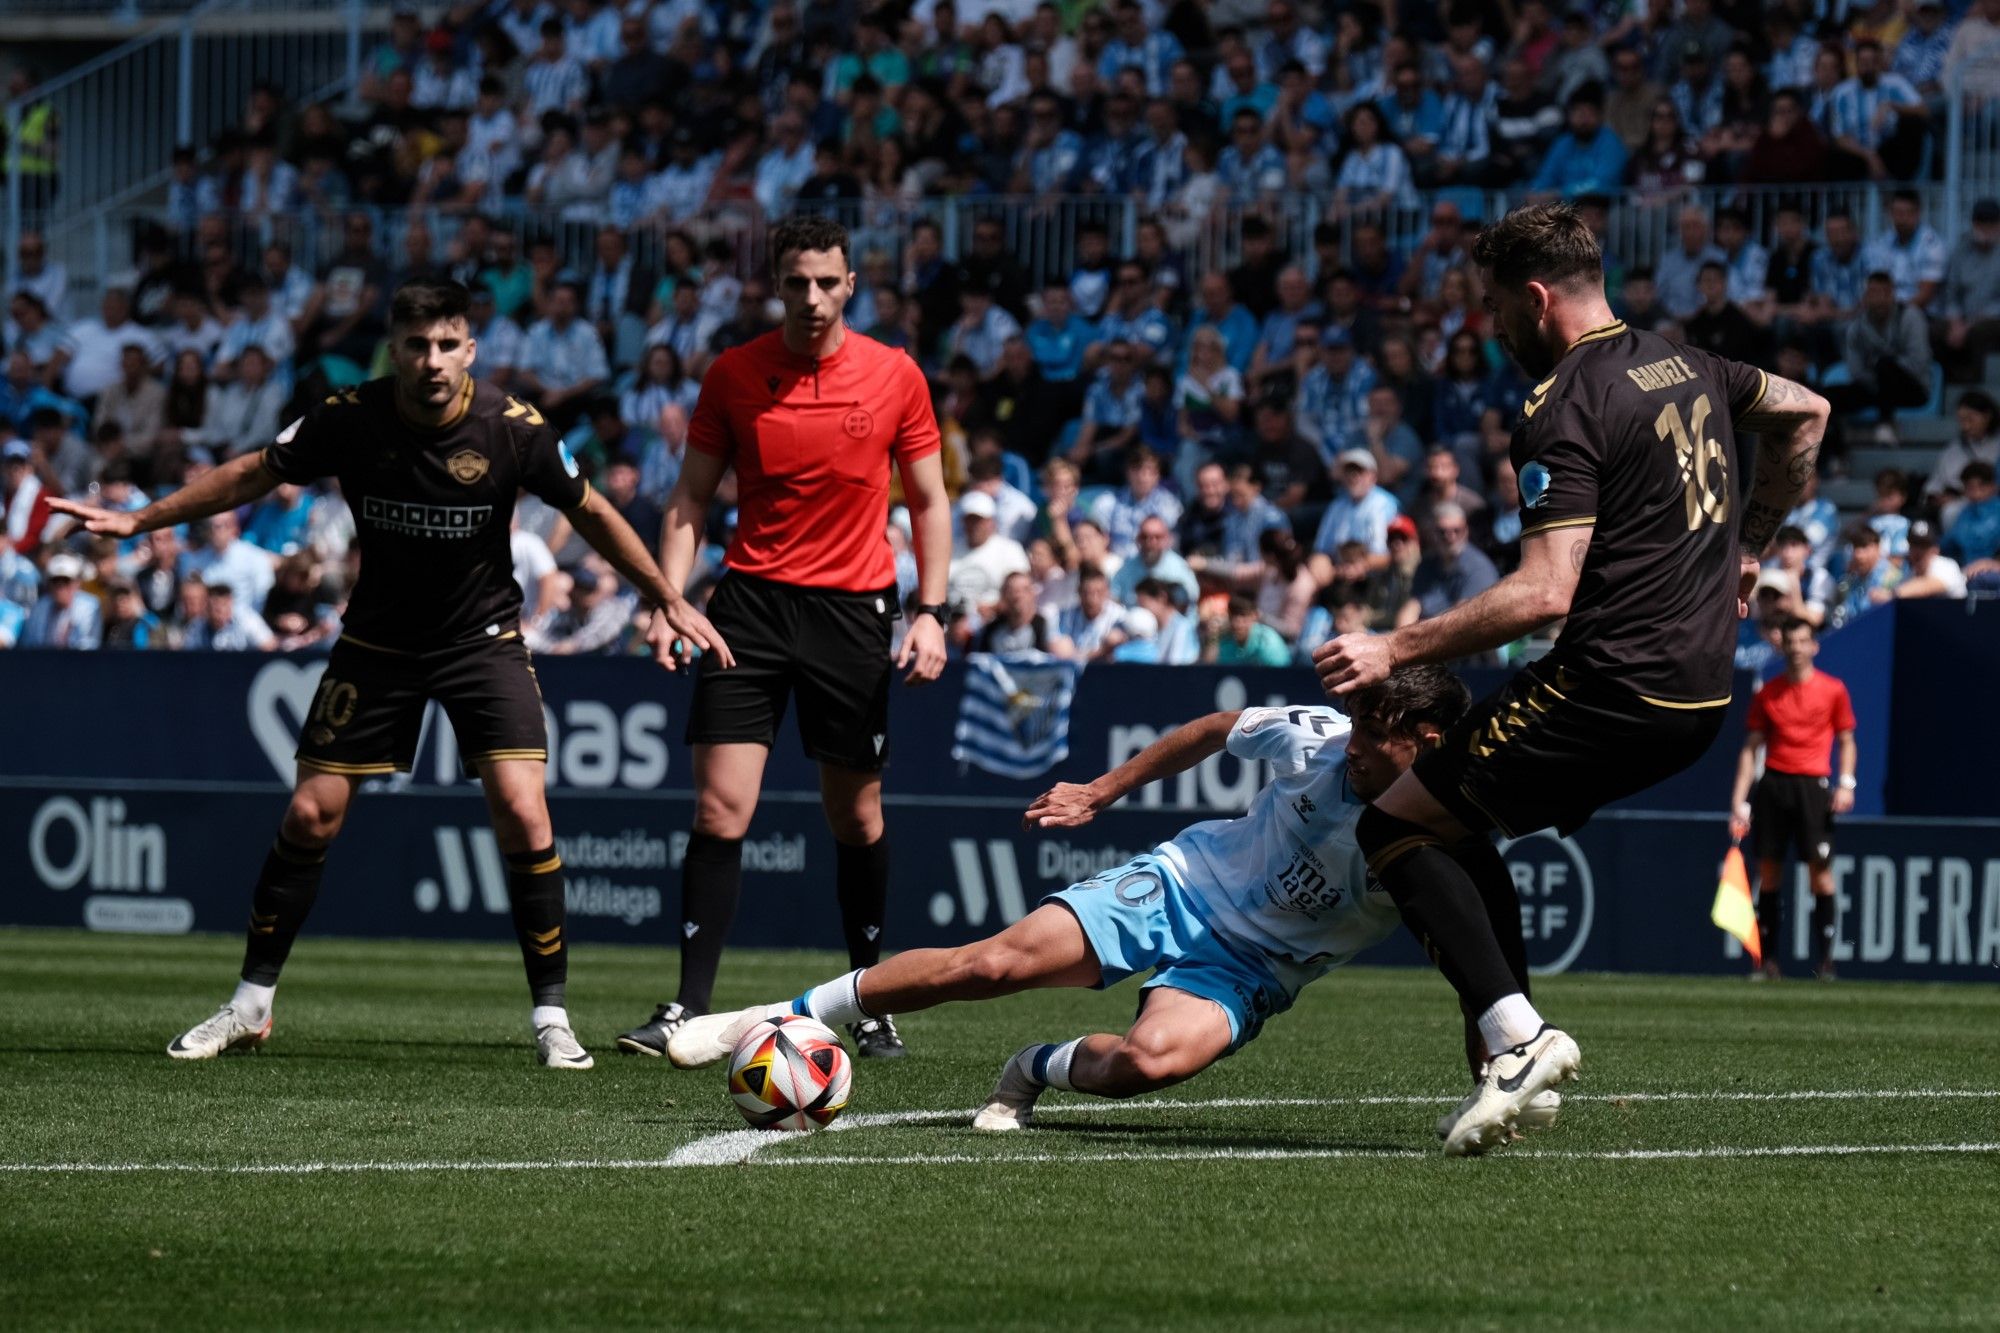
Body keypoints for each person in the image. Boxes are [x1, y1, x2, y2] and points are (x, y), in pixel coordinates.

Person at [50, 279, 715, 1070]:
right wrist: (142, 518)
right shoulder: (351, 415)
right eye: (415, 345)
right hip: (378, 644)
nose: (431, 360)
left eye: (446, 344)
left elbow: (593, 510)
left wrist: (665, 595)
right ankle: (249, 1004)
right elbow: (257, 472)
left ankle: (552, 1017)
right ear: (394, 350)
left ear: (470, 349)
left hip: (483, 641)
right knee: (308, 815)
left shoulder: (514, 428)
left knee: (524, 814)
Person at [1312, 202, 1830, 1154]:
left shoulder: (1563, 404)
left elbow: (1545, 593)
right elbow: (1808, 411)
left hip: (1609, 683)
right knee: (1453, 819)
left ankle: (1517, 1042)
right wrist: (1750, 547)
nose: (1493, 325)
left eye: (1495, 306)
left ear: (1537, 298)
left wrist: (1395, 647)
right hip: (1702, 695)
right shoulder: (1692, 363)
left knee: (1391, 820)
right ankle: (1512, 1066)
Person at [660, 668, 1567, 1137]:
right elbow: (1215, 729)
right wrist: (1101, 790)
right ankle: (777, 1011)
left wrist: (1491, 1078)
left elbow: (1476, 963)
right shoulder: (1316, 741)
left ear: (1432, 741)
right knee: (993, 962)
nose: (1355, 751)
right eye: (1358, 729)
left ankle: (1032, 1068)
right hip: (1182, 886)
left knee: (1152, 1064)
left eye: (1378, 740)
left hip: (1258, 967)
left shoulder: (1446, 835)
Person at [615, 216, 950, 1063]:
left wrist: (932, 610)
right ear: (777, 283)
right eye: (796, 282)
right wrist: (666, 599)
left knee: (856, 813)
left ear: (849, 285)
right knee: (721, 808)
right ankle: (687, 1010)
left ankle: (871, 1000)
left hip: (853, 612)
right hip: (749, 609)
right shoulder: (734, 373)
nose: (811, 297)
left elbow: (929, 502)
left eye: (826, 282)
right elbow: (689, 499)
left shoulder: (895, 374)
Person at [1727, 619, 1857, 981]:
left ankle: (1826, 961)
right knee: (1768, 873)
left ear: (1814, 646)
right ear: (1781, 646)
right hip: (1774, 785)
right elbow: (1750, 749)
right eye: (1791, 641)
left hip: (1813, 786)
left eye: (1803, 641)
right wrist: (1740, 801)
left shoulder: (1833, 690)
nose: (1797, 648)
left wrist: (1846, 783)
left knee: (1821, 875)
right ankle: (1768, 963)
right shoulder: (1767, 693)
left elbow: (1847, 739)